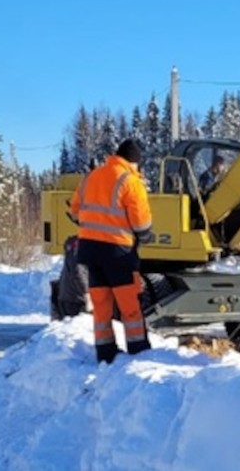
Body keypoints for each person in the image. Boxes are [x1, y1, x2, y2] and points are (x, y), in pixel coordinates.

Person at [69, 139, 154, 364]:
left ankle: (105, 353)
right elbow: (141, 223)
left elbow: (74, 211)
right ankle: (139, 352)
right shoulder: (130, 181)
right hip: (118, 252)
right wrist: (145, 237)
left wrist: (93, 226)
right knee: (129, 305)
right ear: (134, 162)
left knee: (102, 303)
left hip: (90, 251)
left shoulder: (91, 177)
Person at [50, 235, 89, 320]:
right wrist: (87, 293)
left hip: (67, 294)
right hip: (77, 298)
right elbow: (78, 271)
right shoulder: (83, 244)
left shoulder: (73, 243)